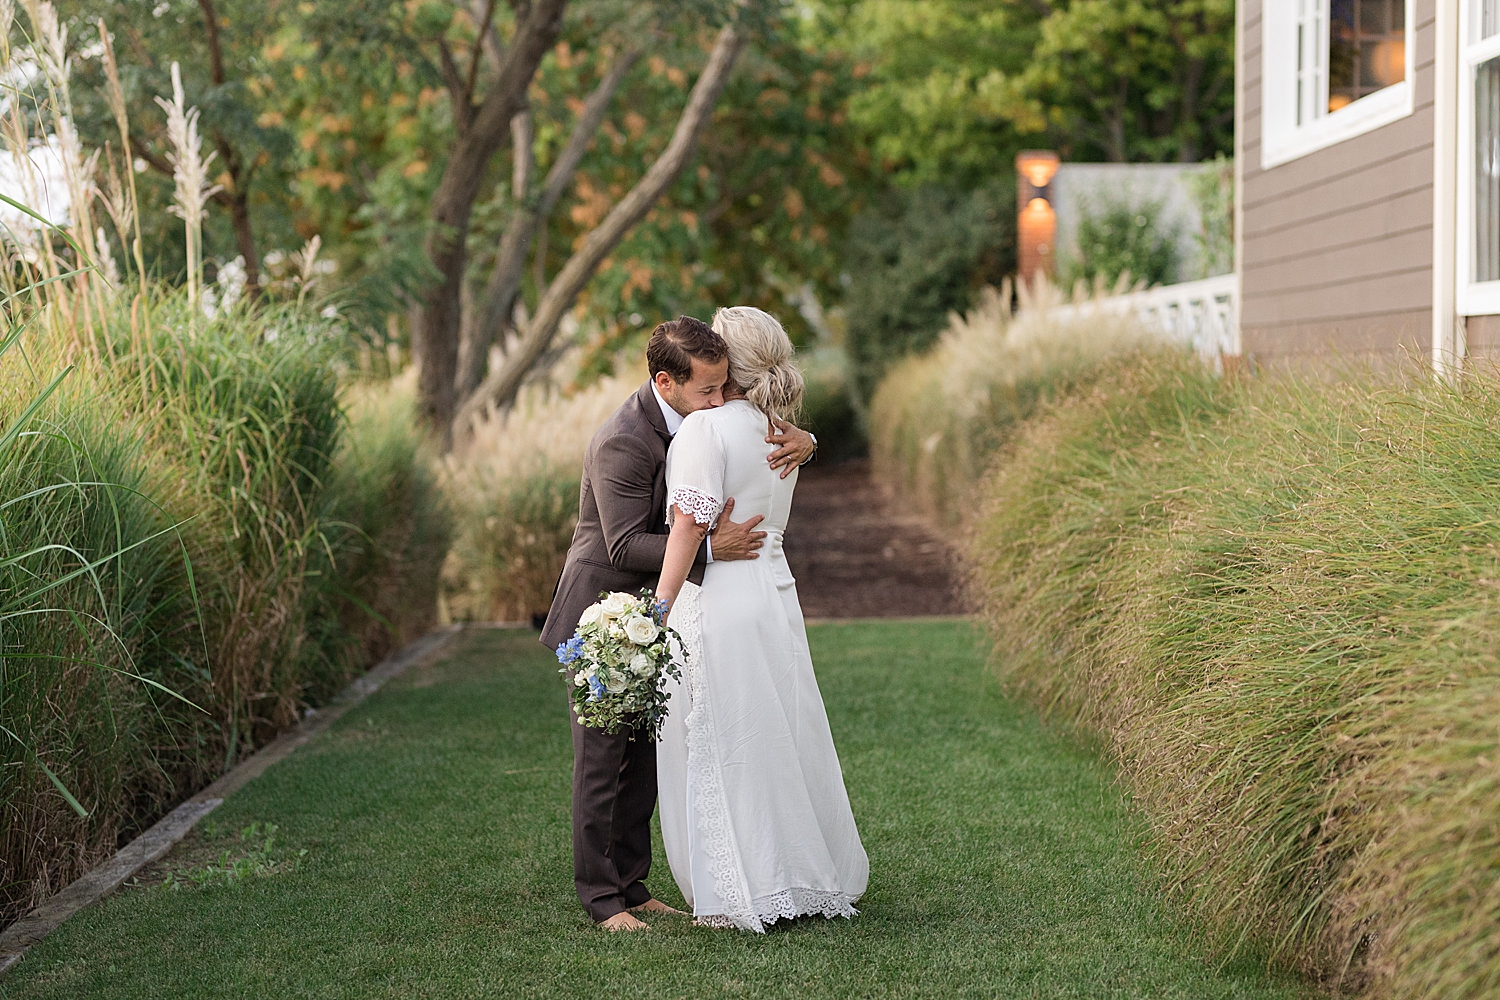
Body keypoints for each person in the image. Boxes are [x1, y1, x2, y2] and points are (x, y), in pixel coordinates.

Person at [539, 316, 818, 932]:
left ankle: (633, 886)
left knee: (644, 760)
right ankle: (600, 898)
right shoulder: (623, 439)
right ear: (665, 382)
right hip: (603, 615)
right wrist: (713, 551)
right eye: (707, 392)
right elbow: (620, 546)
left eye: (725, 389)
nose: (719, 402)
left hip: (656, 614)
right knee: (601, 763)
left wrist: (808, 438)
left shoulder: (696, 421)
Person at [654, 306, 868, 931]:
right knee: (781, 735)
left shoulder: (705, 431)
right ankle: (799, 875)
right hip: (776, 594)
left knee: (728, 743)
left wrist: (656, 613)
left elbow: (688, 528)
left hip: (723, 598)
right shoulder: (784, 433)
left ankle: (744, 885)